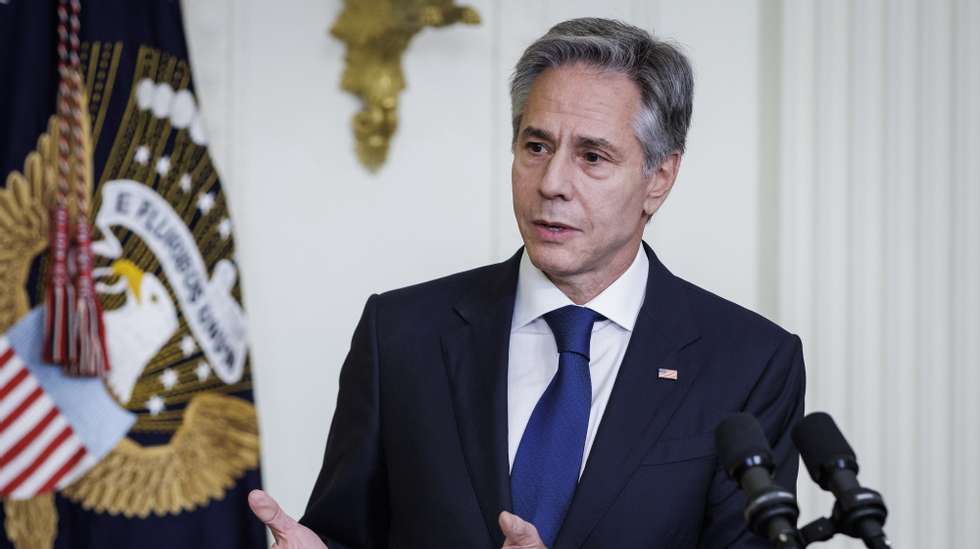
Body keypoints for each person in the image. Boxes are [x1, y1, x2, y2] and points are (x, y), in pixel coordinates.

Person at [248, 17, 805, 549]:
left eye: (592, 156)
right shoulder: (400, 335)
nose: (552, 183)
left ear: (658, 179)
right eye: (536, 147)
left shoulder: (749, 363)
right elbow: (349, 535)